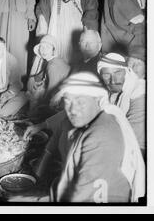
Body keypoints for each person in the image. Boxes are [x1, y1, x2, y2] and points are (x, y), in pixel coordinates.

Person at [25, 72, 145, 202]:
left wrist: (34, 202)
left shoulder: (102, 136)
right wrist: (38, 175)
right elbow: (54, 141)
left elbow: (83, 198)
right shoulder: (77, 120)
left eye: (80, 102)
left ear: (98, 100)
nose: (73, 109)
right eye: (67, 101)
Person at [97, 53, 146, 153]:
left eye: (117, 73)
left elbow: (135, 138)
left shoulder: (140, 92)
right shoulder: (106, 90)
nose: (113, 80)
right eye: (106, 75)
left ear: (126, 72)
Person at [27, 34, 70, 113]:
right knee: (36, 91)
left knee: (37, 99)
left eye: (47, 47)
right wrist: (41, 83)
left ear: (53, 50)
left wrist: (40, 103)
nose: (43, 50)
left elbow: (51, 91)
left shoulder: (53, 65)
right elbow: (40, 77)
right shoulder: (52, 60)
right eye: (41, 47)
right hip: (62, 93)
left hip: (67, 98)